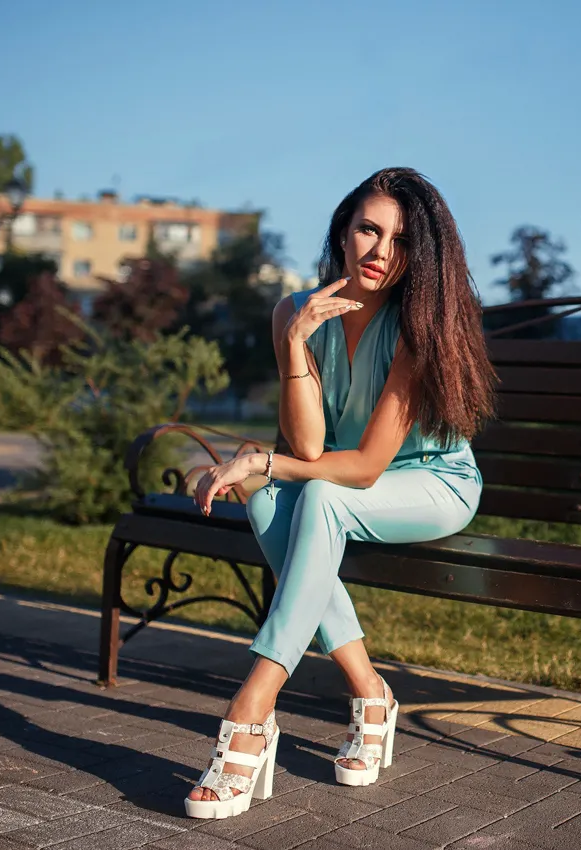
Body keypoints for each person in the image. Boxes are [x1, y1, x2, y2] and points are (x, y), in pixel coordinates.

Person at [182, 167, 496, 819]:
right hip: (347, 478)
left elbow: (360, 471)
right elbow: (311, 449)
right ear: (342, 232)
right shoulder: (295, 312)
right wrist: (296, 346)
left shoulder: (418, 328)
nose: (382, 251)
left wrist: (260, 460)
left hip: (434, 484)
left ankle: (252, 709)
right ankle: (369, 694)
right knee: (269, 499)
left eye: (403, 240)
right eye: (368, 230)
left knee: (317, 497)